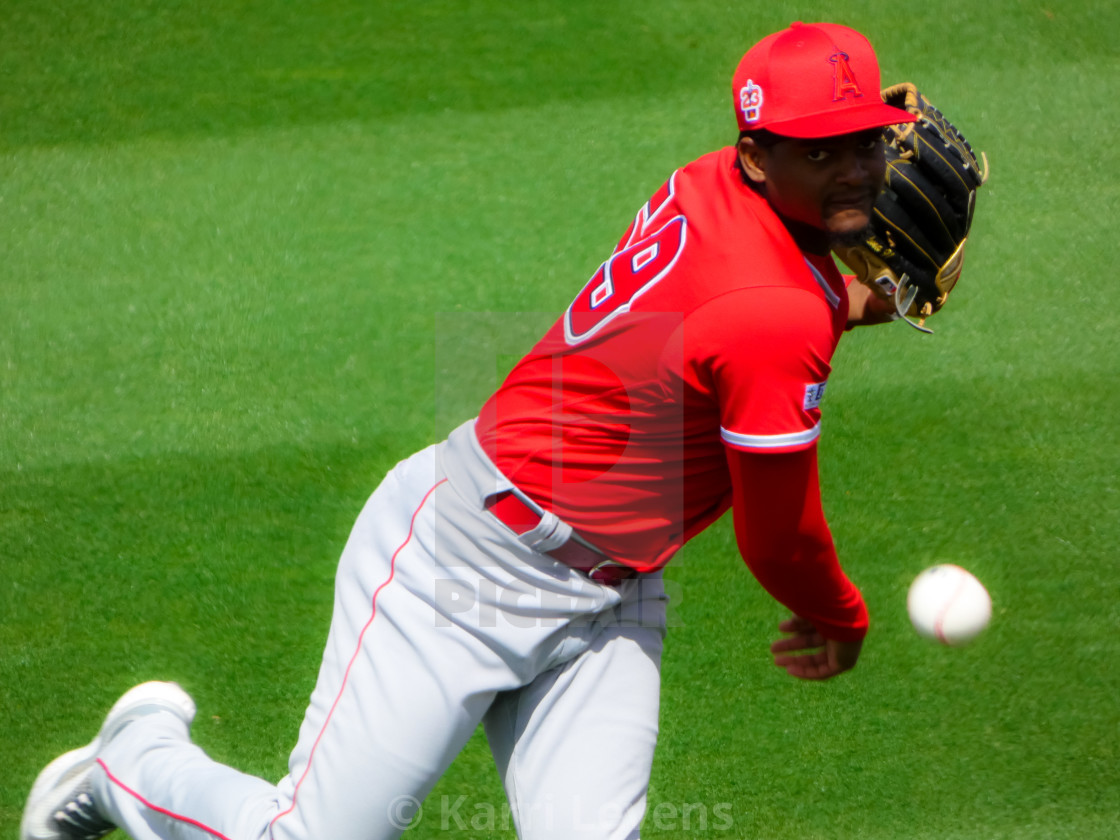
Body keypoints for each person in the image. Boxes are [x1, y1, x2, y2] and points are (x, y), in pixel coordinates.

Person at [23, 21, 915, 840]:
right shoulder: (772, 313)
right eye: (822, 149)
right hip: (465, 567)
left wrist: (855, 300)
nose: (860, 169)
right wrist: (838, 614)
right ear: (758, 157)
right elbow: (778, 535)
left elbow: (746, 320)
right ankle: (129, 761)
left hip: (609, 599)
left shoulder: (709, 182)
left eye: (868, 140)